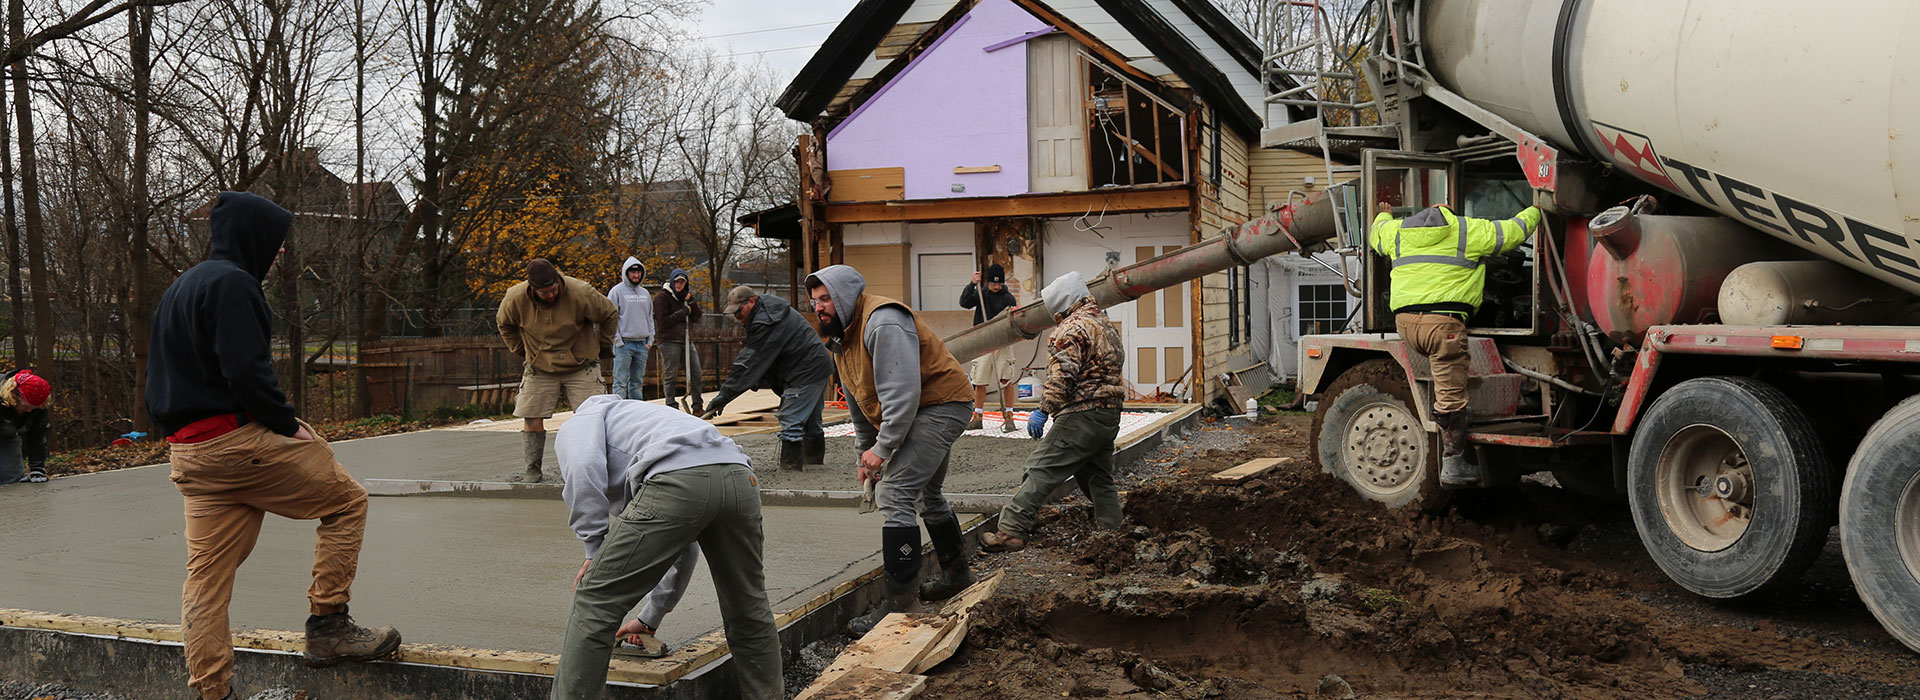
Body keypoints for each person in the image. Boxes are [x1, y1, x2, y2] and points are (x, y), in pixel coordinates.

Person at [147, 191, 400, 700]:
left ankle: (212, 692)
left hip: (189, 454)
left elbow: (160, 376)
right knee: (347, 501)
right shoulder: (234, 284)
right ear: (252, 236)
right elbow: (246, 370)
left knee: (206, 581)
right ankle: (328, 628)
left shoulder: (181, 287)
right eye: (276, 242)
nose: (280, 252)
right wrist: (284, 423)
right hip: (239, 443)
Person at [551, 394, 780, 699]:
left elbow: (582, 469)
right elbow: (683, 548)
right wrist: (649, 619)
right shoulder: (646, 420)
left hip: (677, 479)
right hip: (739, 477)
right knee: (748, 605)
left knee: (596, 599)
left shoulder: (580, 420)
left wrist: (594, 548)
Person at [805, 265, 977, 633]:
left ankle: (901, 605)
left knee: (897, 492)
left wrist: (883, 450)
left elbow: (901, 393)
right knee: (928, 493)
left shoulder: (883, 322)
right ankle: (957, 575)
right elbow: (859, 401)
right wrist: (863, 454)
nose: (818, 307)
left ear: (845, 297)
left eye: (825, 299)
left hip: (941, 405)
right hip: (920, 409)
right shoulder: (841, 338)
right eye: (814, 301)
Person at [1369, 201, 1541, 488]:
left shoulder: (1398, 231)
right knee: (1451, 398)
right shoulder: (1466, 230)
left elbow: (1377, 233)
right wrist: (1537, 208)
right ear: (1449, 211)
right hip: (1443, 325)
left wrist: (1384, 212)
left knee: (1446, 383)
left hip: (1406, 324)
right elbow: (1514, 231)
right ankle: (1453, 465)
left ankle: (1452, 422)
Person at [981, 272, 1126, 553]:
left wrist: (1043, 410)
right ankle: (1114, 529)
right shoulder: (1104, 324)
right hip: (1109, 414)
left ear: (1061, 304)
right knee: (1097, 476)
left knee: (1040, 469)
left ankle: (1010, 532)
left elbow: (1063, 376)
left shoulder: (1070, 330)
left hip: (1081, 413)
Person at [497, 258, 619, 484]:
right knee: (531, 415)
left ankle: (596, 469)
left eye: (553, 289)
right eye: (544, 292)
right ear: (532, 288)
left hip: (581, 364)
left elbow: (610, 313)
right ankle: (532, 471)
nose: (551, 295)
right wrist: (521, 350)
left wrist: (603, 346)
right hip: (539, 366)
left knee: (593, 418)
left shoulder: (580, 292)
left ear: (558, 281)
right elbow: (504, 324)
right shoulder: (515, 299)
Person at [700, 285, 833, 471]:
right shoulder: (768, 312)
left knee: (790, 418)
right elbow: (764, 357)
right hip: (817, 365)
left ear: (752, 302)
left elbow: (748, 362)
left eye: (739, 311)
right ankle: (814, 466)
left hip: (805, 370)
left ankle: (791, 469)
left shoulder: (766, 320)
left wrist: (724, 395)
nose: (737, 316)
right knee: (811, 421)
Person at [959, 263, 1020, 431]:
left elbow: (1013, 322)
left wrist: (1001, 341)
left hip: (1003, 343)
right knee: (979, 380)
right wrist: (972, 283)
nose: (996, 286)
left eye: (999, 283)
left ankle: (1009, 417)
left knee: (1005, 380)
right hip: (982, 343)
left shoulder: (1008, 298)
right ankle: (977, 416)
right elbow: (964, 303)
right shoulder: (981, 293)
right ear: (988, 282)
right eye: (993, 283)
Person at [653, 268, 703, 414]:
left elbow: (697, 317)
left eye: (682, 282)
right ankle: (671, 406)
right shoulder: (662, 298)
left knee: (696, 373)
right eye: (677, 282)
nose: (679, 285)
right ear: (672, 282)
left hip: (686, 340)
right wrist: (683, 312)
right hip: (668, 341)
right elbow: (664, 322)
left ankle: (697, 406)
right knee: (671, 375)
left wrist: (692, 303)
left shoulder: (686, 298)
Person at [605, 257, 655, 401]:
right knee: (620, 382)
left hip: (642, 345)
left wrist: (650, 340)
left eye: (639, 272)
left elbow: (649, 318)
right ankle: (618, 413)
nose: (636, 275)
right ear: (626, 273)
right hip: (624, 345)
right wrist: (618, 340)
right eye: (632, 272)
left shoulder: (645, 294)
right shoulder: (616, 292)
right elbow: (610, 318)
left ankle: (636, 412)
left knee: (637, 383)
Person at [0, 369, 50, 485]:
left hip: (8, 435)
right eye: (26, 406)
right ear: (14, 396)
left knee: (11, 479)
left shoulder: (38, 404)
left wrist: (37, 467)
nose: (29, 410)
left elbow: (38, 433)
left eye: (34, 407)